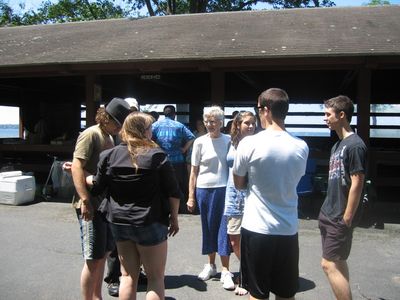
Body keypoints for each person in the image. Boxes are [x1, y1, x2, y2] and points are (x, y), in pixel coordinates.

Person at [86, 112, 181, 300]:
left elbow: (97, 187)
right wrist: (175, 219)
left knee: (127, 276)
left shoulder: (109, 155)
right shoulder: (157, 155)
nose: (152, 132)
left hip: (119, 222)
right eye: (150, 128)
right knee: (155, 278)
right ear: (143, 131)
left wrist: (85, 177)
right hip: (150, 221)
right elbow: (173, 192)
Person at [233, 88, 309, 300]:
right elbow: (293, 180)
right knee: (286, 294)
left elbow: (238, 183)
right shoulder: (301, 146)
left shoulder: (249, 143)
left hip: (257, 228)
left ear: (265, 110)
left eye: (258, 109)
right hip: (288, 229)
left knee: (257, 294)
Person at [71, 97, 131, 300]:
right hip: (91, 205)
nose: (119, 127)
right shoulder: (91, 134)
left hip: (105, 206)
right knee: (93, 258)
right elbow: (77, 166)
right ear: (105, 118)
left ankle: (97, 296)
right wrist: (85, 201)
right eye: (117, 123)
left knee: (103, 255)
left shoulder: (110, 136)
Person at [318, 95, 367, 300]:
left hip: (340, 216)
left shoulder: (355, 145)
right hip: (328, 212)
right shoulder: (337, 146)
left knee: (328, 264)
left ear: (341, 115)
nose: (325, 119)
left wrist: (347, 217)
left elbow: (357, 182)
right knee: (337, 262)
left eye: (328, 114)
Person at [186, 106, 235, 290]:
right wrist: (191, 196)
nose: (209, 124)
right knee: (207, 227)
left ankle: (225, 270)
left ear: (221, 123)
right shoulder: (199, 142)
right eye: (206, 121)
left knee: (223, 228)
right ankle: (211, 265)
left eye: (213, 121)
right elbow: (193, 172)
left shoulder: (229, 140)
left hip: (223, 189)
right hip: (203, 189)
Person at [224, 111, 256, 296]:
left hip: (251, 195)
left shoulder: (258, 143)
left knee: (251, 237)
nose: (250, 126)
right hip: (232, 193)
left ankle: (247, 275)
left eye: (253, 123)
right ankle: (249, 270)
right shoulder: (231, 142)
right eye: (246, 123)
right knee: (234, 237)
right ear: (237, 125)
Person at [152, 105, 195, 213]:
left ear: (163, 114)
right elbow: (191, 137)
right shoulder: (179, 125)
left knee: (161, 184)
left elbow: (146, 137)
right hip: (177, 161)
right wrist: (184, 149)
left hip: (160, 160)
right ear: (174, 115)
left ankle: (164, 208)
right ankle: (180, 209)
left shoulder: (156, 125)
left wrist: (154, 148)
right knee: (177, 185)